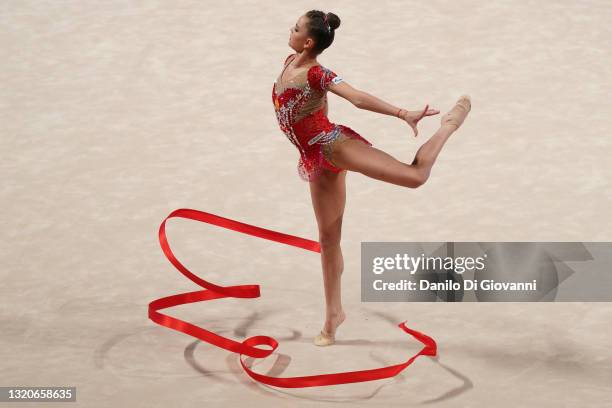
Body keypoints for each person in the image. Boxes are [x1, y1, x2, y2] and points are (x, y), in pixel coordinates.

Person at [272, 10, 471, 346]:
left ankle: (449, 126)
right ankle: (333, 315)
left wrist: (403, 113)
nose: (288, 31)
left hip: (335, 147)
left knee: (415, 175)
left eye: (295, 28)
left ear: (308, 42)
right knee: (328, 239)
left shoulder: (316, 73)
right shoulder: (290, 60)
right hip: (316, 160)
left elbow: (357, 98)